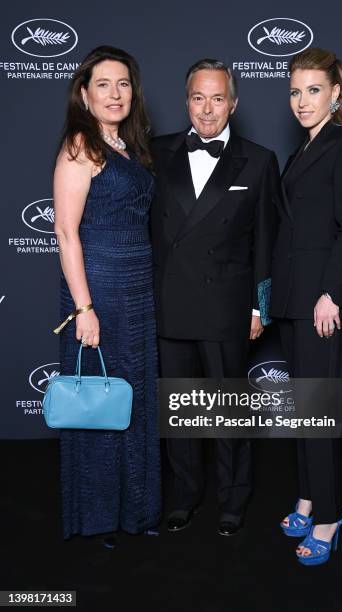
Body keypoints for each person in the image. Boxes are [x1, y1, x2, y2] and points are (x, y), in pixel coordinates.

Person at [151, 59, 281, 536]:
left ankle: (233, 498)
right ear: (187, 100)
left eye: (218, 98)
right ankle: (184, 495)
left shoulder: (260, 159)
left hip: (227, 305)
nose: (207, 109)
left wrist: (258, 307)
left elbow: (267, 240)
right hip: (170, 303)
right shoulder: (157, 152)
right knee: (180, 410)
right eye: (198, 97)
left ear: (234, 102)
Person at [53, 46, 161, 546]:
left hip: (138, 288)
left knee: (132, 399)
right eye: (103, 84)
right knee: (98, 400)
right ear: (84, 92)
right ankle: (98, 518)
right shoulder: (82, 144)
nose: (115, 94)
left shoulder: (129, 147)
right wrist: (83, 307)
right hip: (99, 286)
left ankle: (135, 511)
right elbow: (66, 232)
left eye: (123, 84)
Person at [269, 48, 342, 565]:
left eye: (313, 90)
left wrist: (331, 293)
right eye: (295, 90)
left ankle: (329, 517)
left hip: (320, 302)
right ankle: (309, 497)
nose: (302, 100)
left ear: (335, 92)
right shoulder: (300, 152)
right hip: (291, 299)